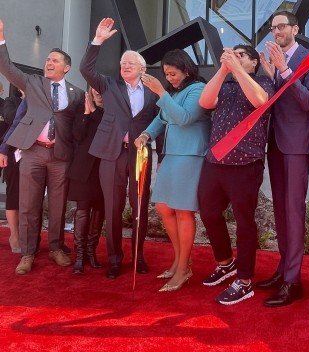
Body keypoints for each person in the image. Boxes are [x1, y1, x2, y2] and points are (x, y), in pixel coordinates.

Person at [0, 18, 85, 275]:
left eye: (55, 60)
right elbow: (7, 67)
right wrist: (2, 40)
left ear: (66, 67)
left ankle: (56, 248)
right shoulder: (33, 83)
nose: (49, 63)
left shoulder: (77, 93)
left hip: (61, 156)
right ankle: (28, 252)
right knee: (29, 204)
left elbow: (80, 128)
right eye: (47, 59)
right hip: (33, 152)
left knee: (58, 204)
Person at [80, 17, 158, 279]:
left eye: (130, 63)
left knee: (140, 206)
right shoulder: (109, 84)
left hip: (140, 154)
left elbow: (161, 120)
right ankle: (114, 258)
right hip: (112, 152)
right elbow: (85, 69)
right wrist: (97, 41)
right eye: (122, 62)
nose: (124, 65)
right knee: (112, 207)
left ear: (142, 68)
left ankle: (138, 257)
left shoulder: (153, 91)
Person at [198, 45, 274, 305]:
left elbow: (260, 102)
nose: (235, 57)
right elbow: (205, 102)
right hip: (215, 161)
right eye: (234, 54)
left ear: (254, 62)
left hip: (245, 163)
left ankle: (244, 280)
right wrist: (222, 70)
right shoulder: (226, 84)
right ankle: (225, 262)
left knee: (244, 221)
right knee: (208, 213)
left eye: (242, 55)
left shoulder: (264, 81)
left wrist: (238, 68)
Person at [257, 10, 309, 307]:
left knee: (294, 212)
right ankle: (283, 269)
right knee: (281, 211)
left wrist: (283, 71)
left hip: (296, 144)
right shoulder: (272, 60)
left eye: (281, 26)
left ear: (295, 28)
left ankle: (293, 281)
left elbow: (308, 101)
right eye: (272, 28)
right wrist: (271, 76)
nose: (276, 32)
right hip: (275, 141)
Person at [134, 49, 211, 292]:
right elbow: (163, 117)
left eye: (173, 73)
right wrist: (147, 133)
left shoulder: (198, 89)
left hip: (190, 155)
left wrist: (161, 92)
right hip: (172, 154)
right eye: (167, 74)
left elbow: (185, 118)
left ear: (186, 70)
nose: (170, 78)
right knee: (163, 207)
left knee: (183, 211)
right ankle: (180, 260)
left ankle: (182, 269)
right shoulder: (174, 92)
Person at [67, 87, 105, 275]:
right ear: (89, 91)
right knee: (82, 212)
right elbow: (77, 135)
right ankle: (80, 256)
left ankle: (91, 253)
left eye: (101, 89)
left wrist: (94, 113)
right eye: (94, 89)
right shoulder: (81, 108)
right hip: (83, 169)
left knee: (99, 212)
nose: (97, 92)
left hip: (103, 170)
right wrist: (86, 113)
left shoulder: (111, 110)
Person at [0, 95, 26, 253]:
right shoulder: (11, 101)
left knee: (26, 196)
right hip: (10, 151)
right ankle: (14, 235)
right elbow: (12, 118)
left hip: (30, 154)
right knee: (13, 194)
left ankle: (25, 236)